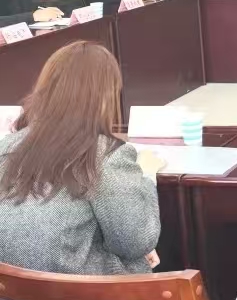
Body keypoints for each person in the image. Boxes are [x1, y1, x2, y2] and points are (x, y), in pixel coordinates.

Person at [0, 41, 165, 275]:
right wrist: (147, 175)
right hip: (82, 290)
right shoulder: (105, 154)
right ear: (105, 97)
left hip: (12, 291)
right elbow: (135, 243)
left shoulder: (7, 145)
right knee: (139, 254)